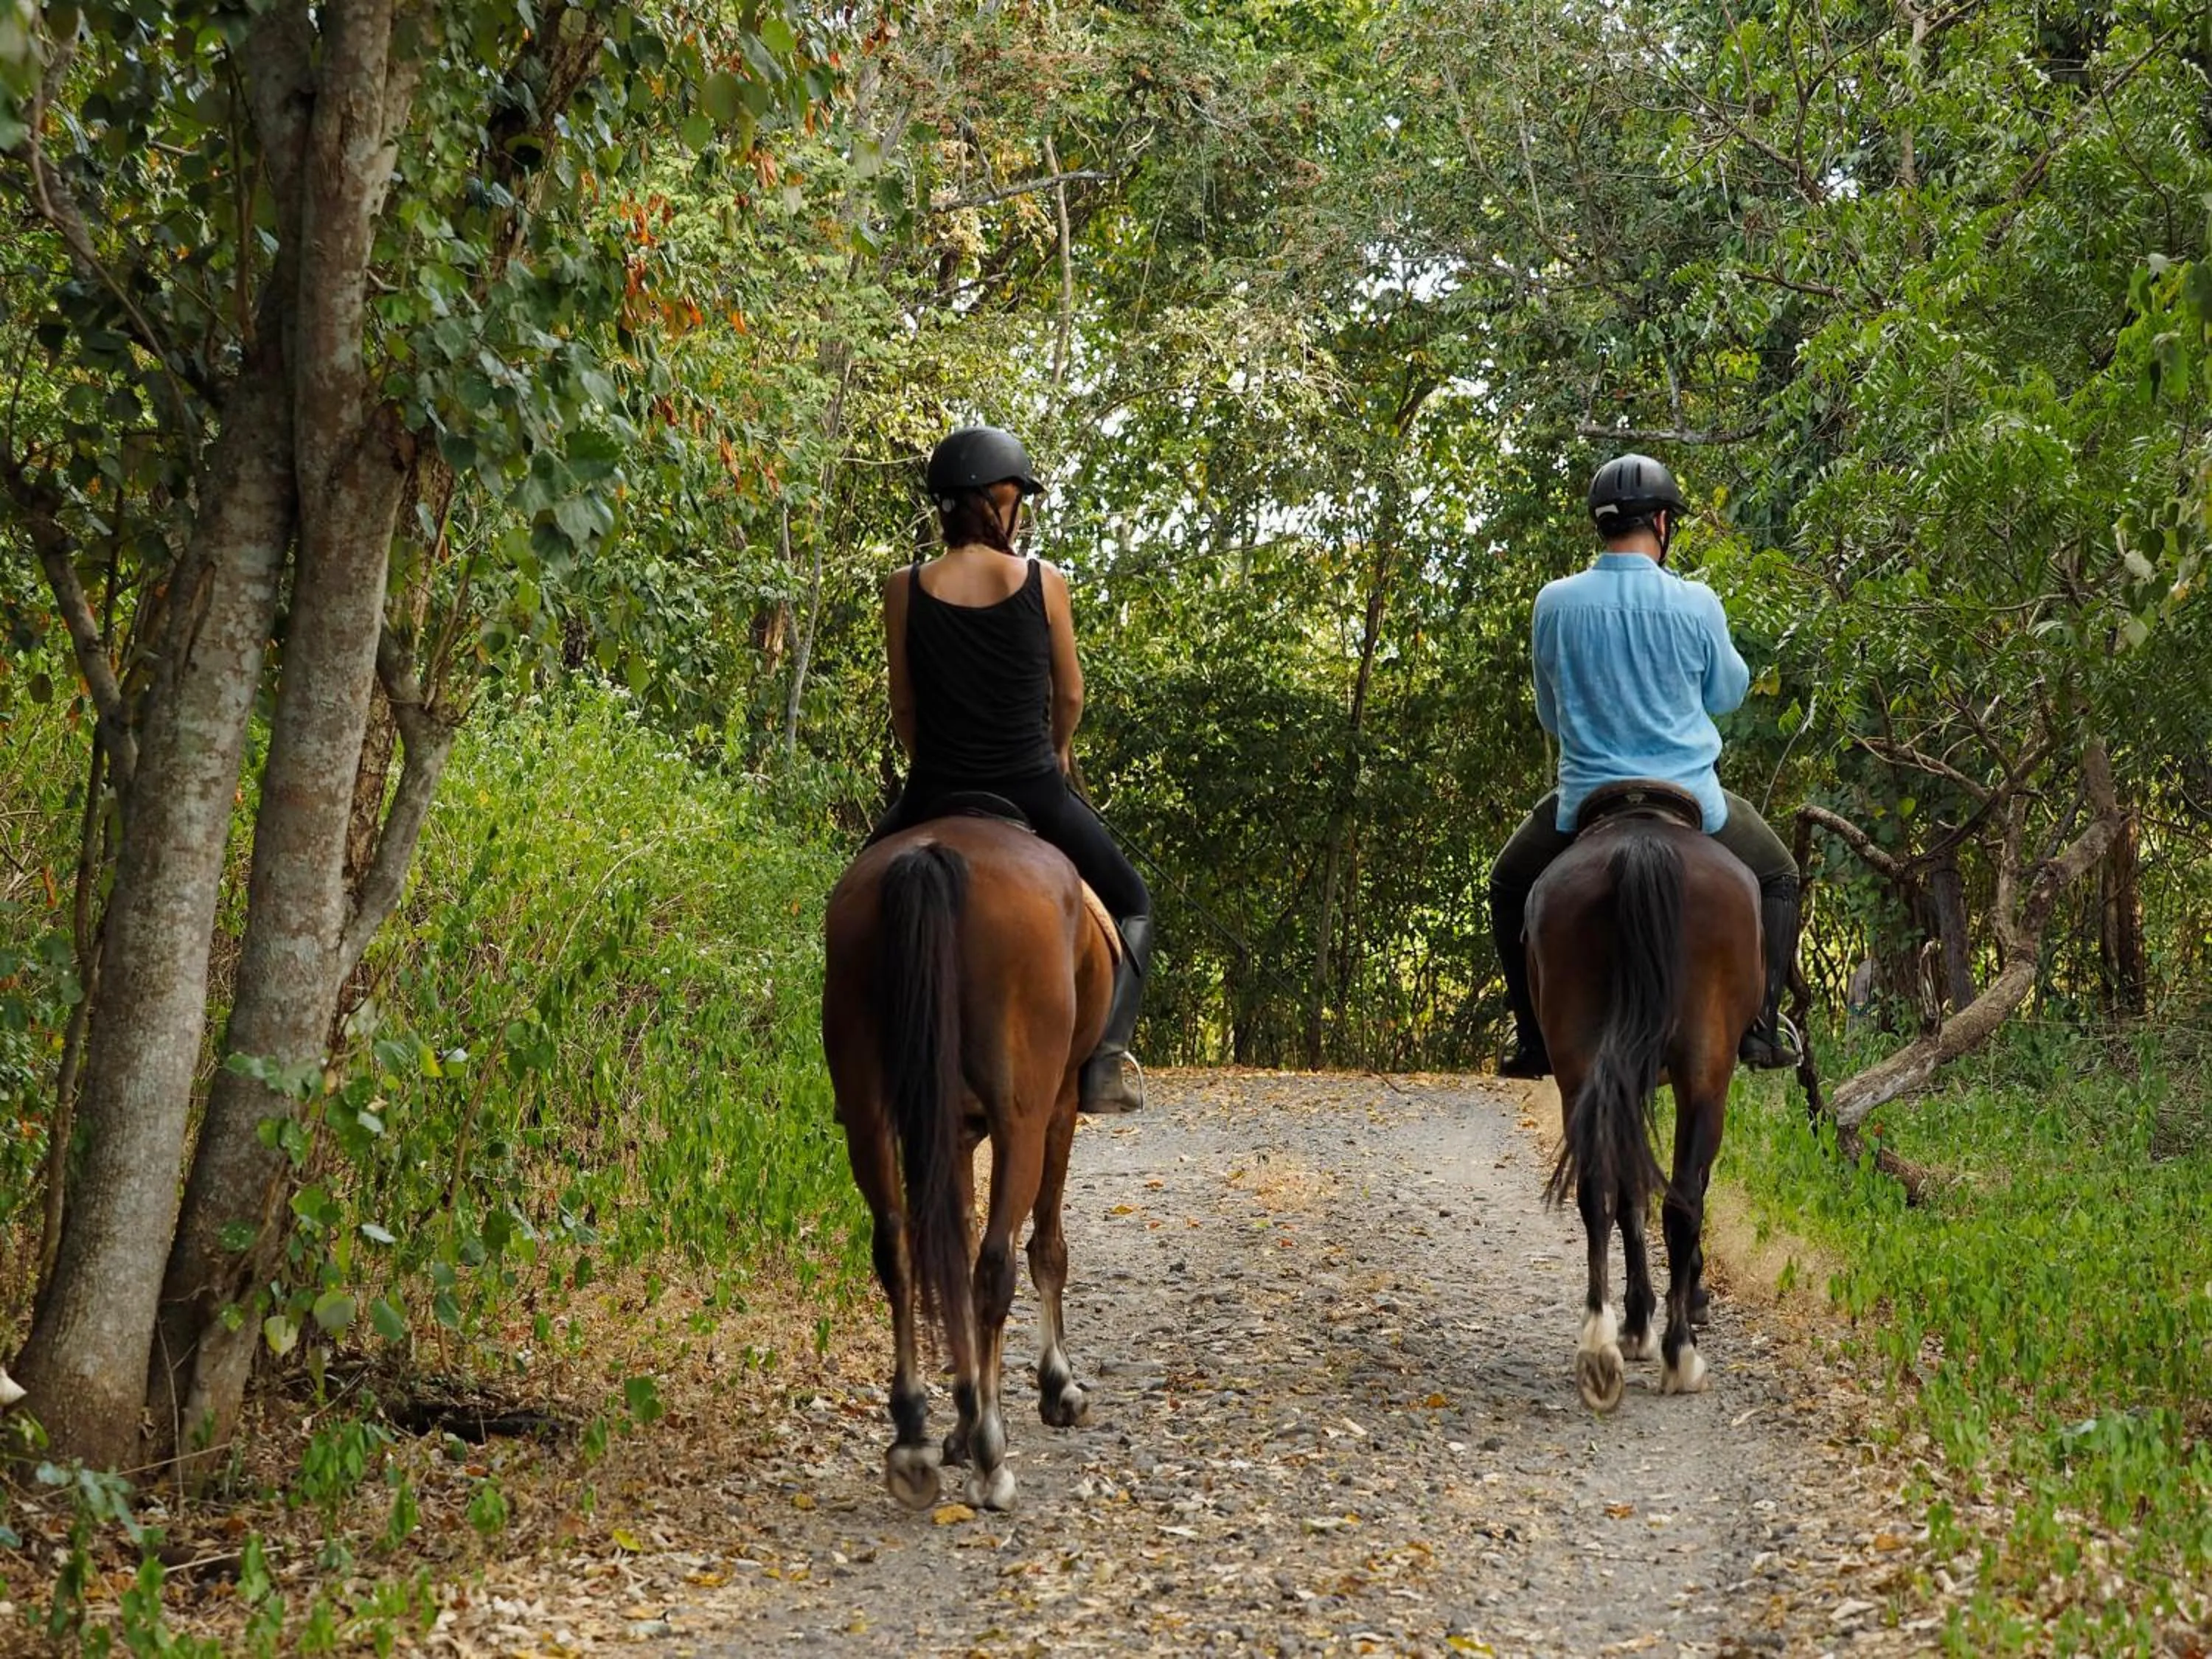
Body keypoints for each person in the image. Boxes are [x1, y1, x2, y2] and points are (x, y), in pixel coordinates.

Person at [1489, 453, 1801, 1079]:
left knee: (1508, 884)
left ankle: (1530, 1037)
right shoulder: (1697, 603)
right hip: (1693, 802)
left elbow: (1551, 716)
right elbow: (1728, 696)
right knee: (1779, 876)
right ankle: (1762, 1028)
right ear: (1662, 522)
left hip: (1586, 803)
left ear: (1600, 525)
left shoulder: (1555, 603)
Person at [868, 425, 1152, 1113]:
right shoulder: (1043, 581)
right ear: (999, 500)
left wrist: (930, 766)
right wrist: (1053, 748)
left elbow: (904, 707)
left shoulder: (902, 587)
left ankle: (871, 1069)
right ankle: (1104, 1064)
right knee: (1135, 903)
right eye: (1019, 498)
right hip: (1032, 787)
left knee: (855, 902)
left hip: (934, 787)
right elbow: (1073, 694)